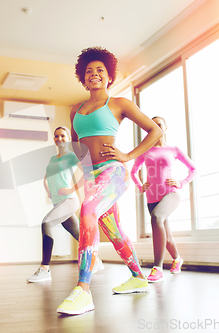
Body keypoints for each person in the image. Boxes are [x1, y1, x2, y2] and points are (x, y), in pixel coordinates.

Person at [56, 47, 163, 315]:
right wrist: (83, 181)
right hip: (93, 177)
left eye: (100, 70)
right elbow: (78, 147)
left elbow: (155, 130)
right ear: (83, 77)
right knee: (114, 231)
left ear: (109, 77)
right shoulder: (75, 110)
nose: (94, 74)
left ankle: (83, 290)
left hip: (114, 171)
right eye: (89, 71)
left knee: (88, 211)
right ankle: (139, 277)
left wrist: (128, 155)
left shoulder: (119, 104)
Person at [27, 126, 104, 283]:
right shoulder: (53, 159)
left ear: (68, 138)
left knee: (46, 223)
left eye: (62, 136)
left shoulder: (71, 156)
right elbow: (46, 177)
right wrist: (48, 190)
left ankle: (45, 269)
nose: (59, 138)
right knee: (78, 234)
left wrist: (71, 188)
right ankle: (96, 261)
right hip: (58, 202)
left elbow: (88, 172)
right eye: (56, 136)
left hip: (68, 200)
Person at [131, 116, 196, 283]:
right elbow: (133, 171)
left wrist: (181, 183)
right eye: (152, 125)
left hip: (170, 193)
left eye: (159, 125)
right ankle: (177, 259)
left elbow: (193, 169)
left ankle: (157, 268)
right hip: (152, 198)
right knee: (165, 237)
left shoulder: (173, 149)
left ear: (165, 128)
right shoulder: (145, 150)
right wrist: (140, 186)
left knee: (157, 217)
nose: (156, 127)